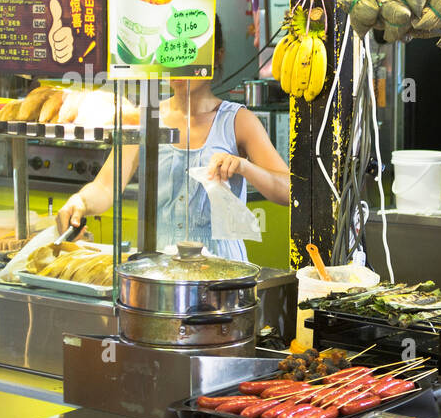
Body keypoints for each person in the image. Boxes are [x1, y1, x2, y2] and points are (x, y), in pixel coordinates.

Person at [57, 18, 291, 260]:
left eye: (188, 53)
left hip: (222, 270)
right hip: (159, 267)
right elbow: (106, 187)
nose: (179, 64)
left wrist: (244, 167)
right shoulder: (146, 117)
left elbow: (288, 191)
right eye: (170, 53)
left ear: (216, 56)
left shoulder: (237, 120)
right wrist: (81, 201)